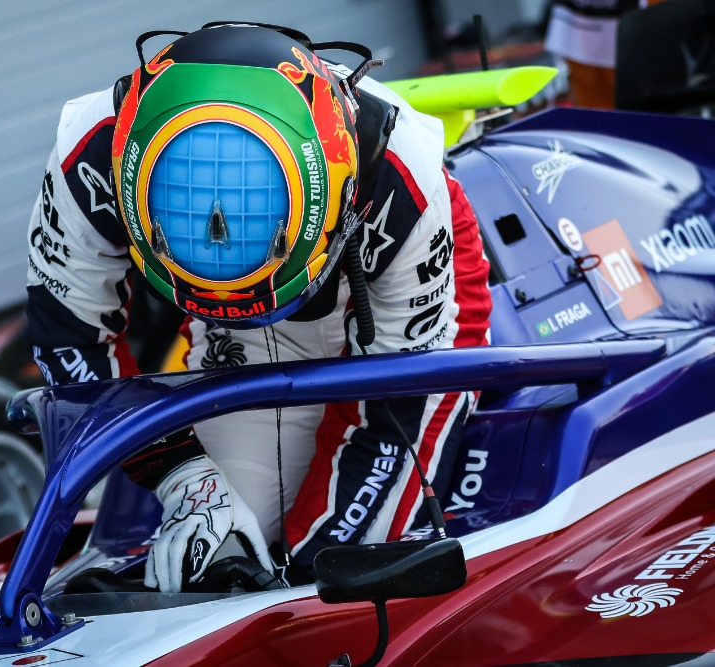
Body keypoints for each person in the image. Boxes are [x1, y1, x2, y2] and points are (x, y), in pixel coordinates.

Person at [25, 22, 491, 591]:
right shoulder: (87, 159)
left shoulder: (403, 181)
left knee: (329, 567)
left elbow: (403, 398)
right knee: (229, 557)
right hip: (241, 330)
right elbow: (71, 344)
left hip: (392, 298)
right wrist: (185, 478)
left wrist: (318, 561)